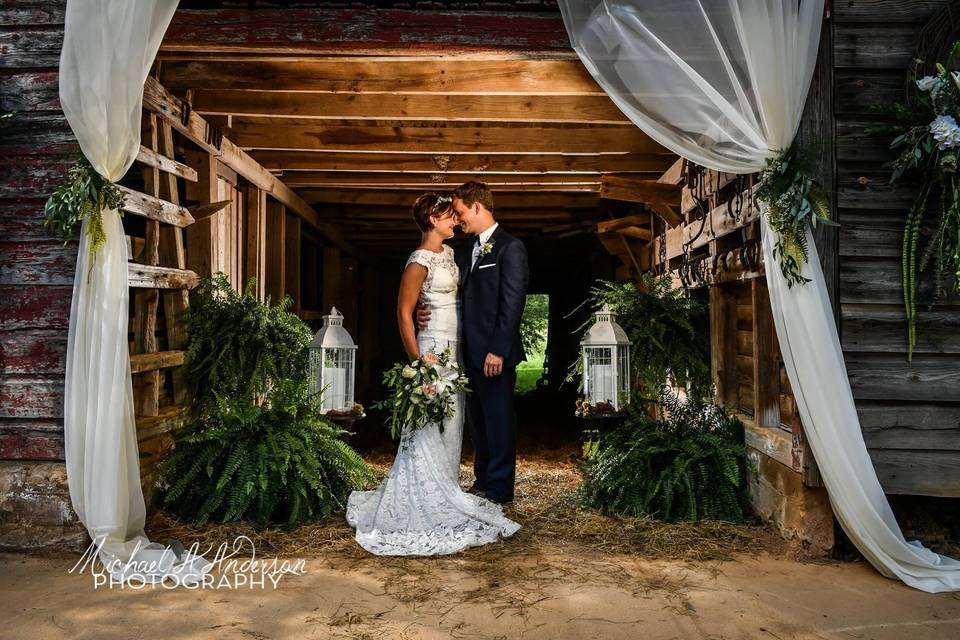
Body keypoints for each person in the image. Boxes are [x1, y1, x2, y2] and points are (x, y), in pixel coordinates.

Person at [346, 192, 519, 556]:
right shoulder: (418, 260)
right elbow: (403, 313)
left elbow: (466, 298)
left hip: (457, 349)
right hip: (433, 350)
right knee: (430, 422)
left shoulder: (455, 255)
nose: (454, 220)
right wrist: (417, 363)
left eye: (455, 214)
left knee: (453, 422)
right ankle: (424, 490)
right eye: (447, 215)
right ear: (431, 221)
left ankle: (447, 485)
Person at [417, 181, 530, 505]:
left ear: (477, 206)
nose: (458, 218)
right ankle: (482, 481)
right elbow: (454, 295)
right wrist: (424, 309)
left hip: (494, 353)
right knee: (478, 423)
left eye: (461, 211)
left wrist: (498, 348)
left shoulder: (510, 248)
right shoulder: (465, 252)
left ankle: (499, 489)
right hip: (465, 351)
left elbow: (512, 303)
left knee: (498, 420)